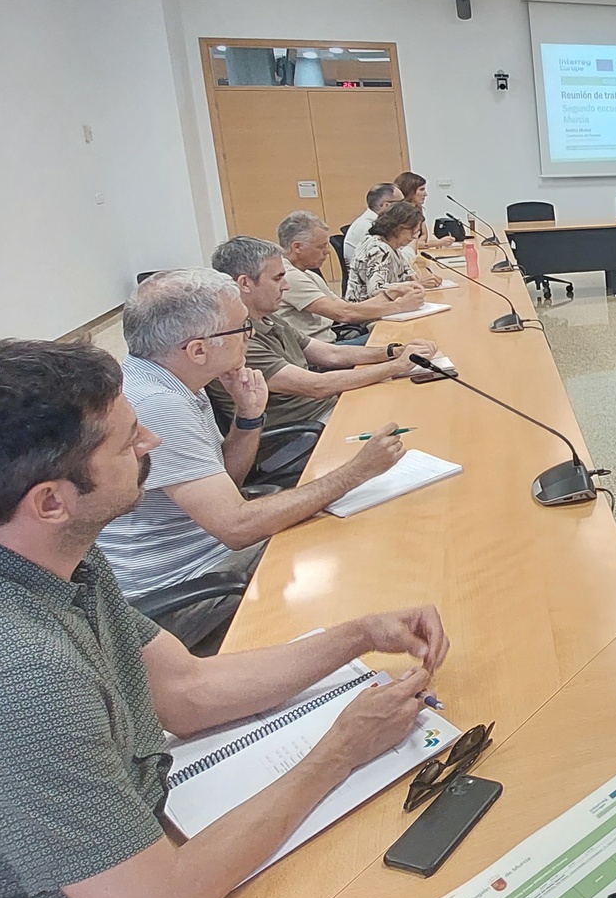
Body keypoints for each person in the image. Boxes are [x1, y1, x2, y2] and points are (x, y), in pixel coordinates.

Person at [0, 339, 448, 898]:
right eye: (127, 441)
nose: (151, 440)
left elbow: (185, 690)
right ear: (51, 500)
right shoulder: (13, 677)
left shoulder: (32, 546)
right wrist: (339, 752)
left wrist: (358, 635)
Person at [99, 268, 407, 643]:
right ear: (198, 350)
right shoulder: (158, 405)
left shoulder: (175, 382)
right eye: (242, 329)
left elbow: (229, 481)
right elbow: (237, 527)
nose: (251, 336)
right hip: (186, 587)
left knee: (343, 518)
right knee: (348, 547)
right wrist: (356, 472)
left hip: (209, 554)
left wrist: (248, 416)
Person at [210, 235, 438, 431]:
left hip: (327, 408)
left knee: (417, 404)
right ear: (245, 283)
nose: (286, 286)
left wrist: (395, 352)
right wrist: (396, 366)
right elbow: (317, 386)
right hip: (305, 429)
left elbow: (331, 355)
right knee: (413, 418)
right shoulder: (236, 338)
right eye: (278, 278)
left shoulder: (266, 316)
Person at [275, 210, 423, 343]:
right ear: (297, 247)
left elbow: (345, 307)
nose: (327, 252)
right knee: (405, 340)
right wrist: (400, 306)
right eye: (321, 247)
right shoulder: (289, 276)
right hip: (323, 349)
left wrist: (391, 293)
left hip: (332, 338)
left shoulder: (306, 273)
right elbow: (344, 314)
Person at [346, 201, 427, 302]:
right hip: (366, 311)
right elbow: (375, 289)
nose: (415, 236)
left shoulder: (388, 245)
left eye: (417, 232)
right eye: (412, 231)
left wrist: (415, 281)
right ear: (397, 228)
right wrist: (408, 285)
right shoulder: (380, 249)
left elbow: (406, 273)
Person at [395, 170, 459, 253]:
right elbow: (404, 244)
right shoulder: (401, 214)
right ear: (409, 191)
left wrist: (422, 244)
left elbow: (424, 235)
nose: (425, 194)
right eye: (421, 190)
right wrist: (437, 243)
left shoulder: (418, 208)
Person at [344, 181, 401, 264]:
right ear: (386, 205)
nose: (405, 206)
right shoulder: (370, 227)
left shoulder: (373, 219)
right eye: (401, 202)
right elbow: (392, 260)